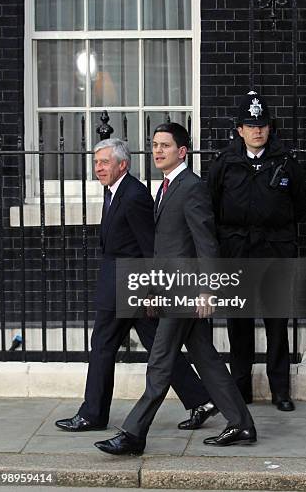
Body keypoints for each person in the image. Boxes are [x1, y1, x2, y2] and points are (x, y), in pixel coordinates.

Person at [94, 123, 256, 455]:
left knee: (160, 361)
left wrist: (208, 290)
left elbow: (206, 242)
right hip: (169, 288)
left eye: (165, 146)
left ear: (182, 151)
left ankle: (134, 433)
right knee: (206, 359)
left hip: (186, 291)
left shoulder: (192, 187)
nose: (157, 151)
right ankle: (241, 423)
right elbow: (164, 248)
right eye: (154, 145)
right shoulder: (165, 187)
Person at [55, 138, 217, 433]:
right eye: (96, 162)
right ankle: (201, 399)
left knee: (103, 345)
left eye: (105, 162)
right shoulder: (115, 191)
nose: (98, 168)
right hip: (122, 285)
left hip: (130, 286)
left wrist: (151, 291)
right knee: (159, 346)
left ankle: (92, 414)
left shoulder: (133, 196)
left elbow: (149, 247)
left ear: (123, 165)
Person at [208, 91, 306, 412]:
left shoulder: (286, 162)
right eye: (251, 125)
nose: (257, 131)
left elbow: (301, 205)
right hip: (236, 254)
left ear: (269, 128)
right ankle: (241, 389)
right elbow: (211, 207)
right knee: (239, 325)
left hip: (273, 253)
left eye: (262, 125)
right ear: (239, 130)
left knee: (277, 323)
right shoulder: (225, 164)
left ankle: (280, 391)